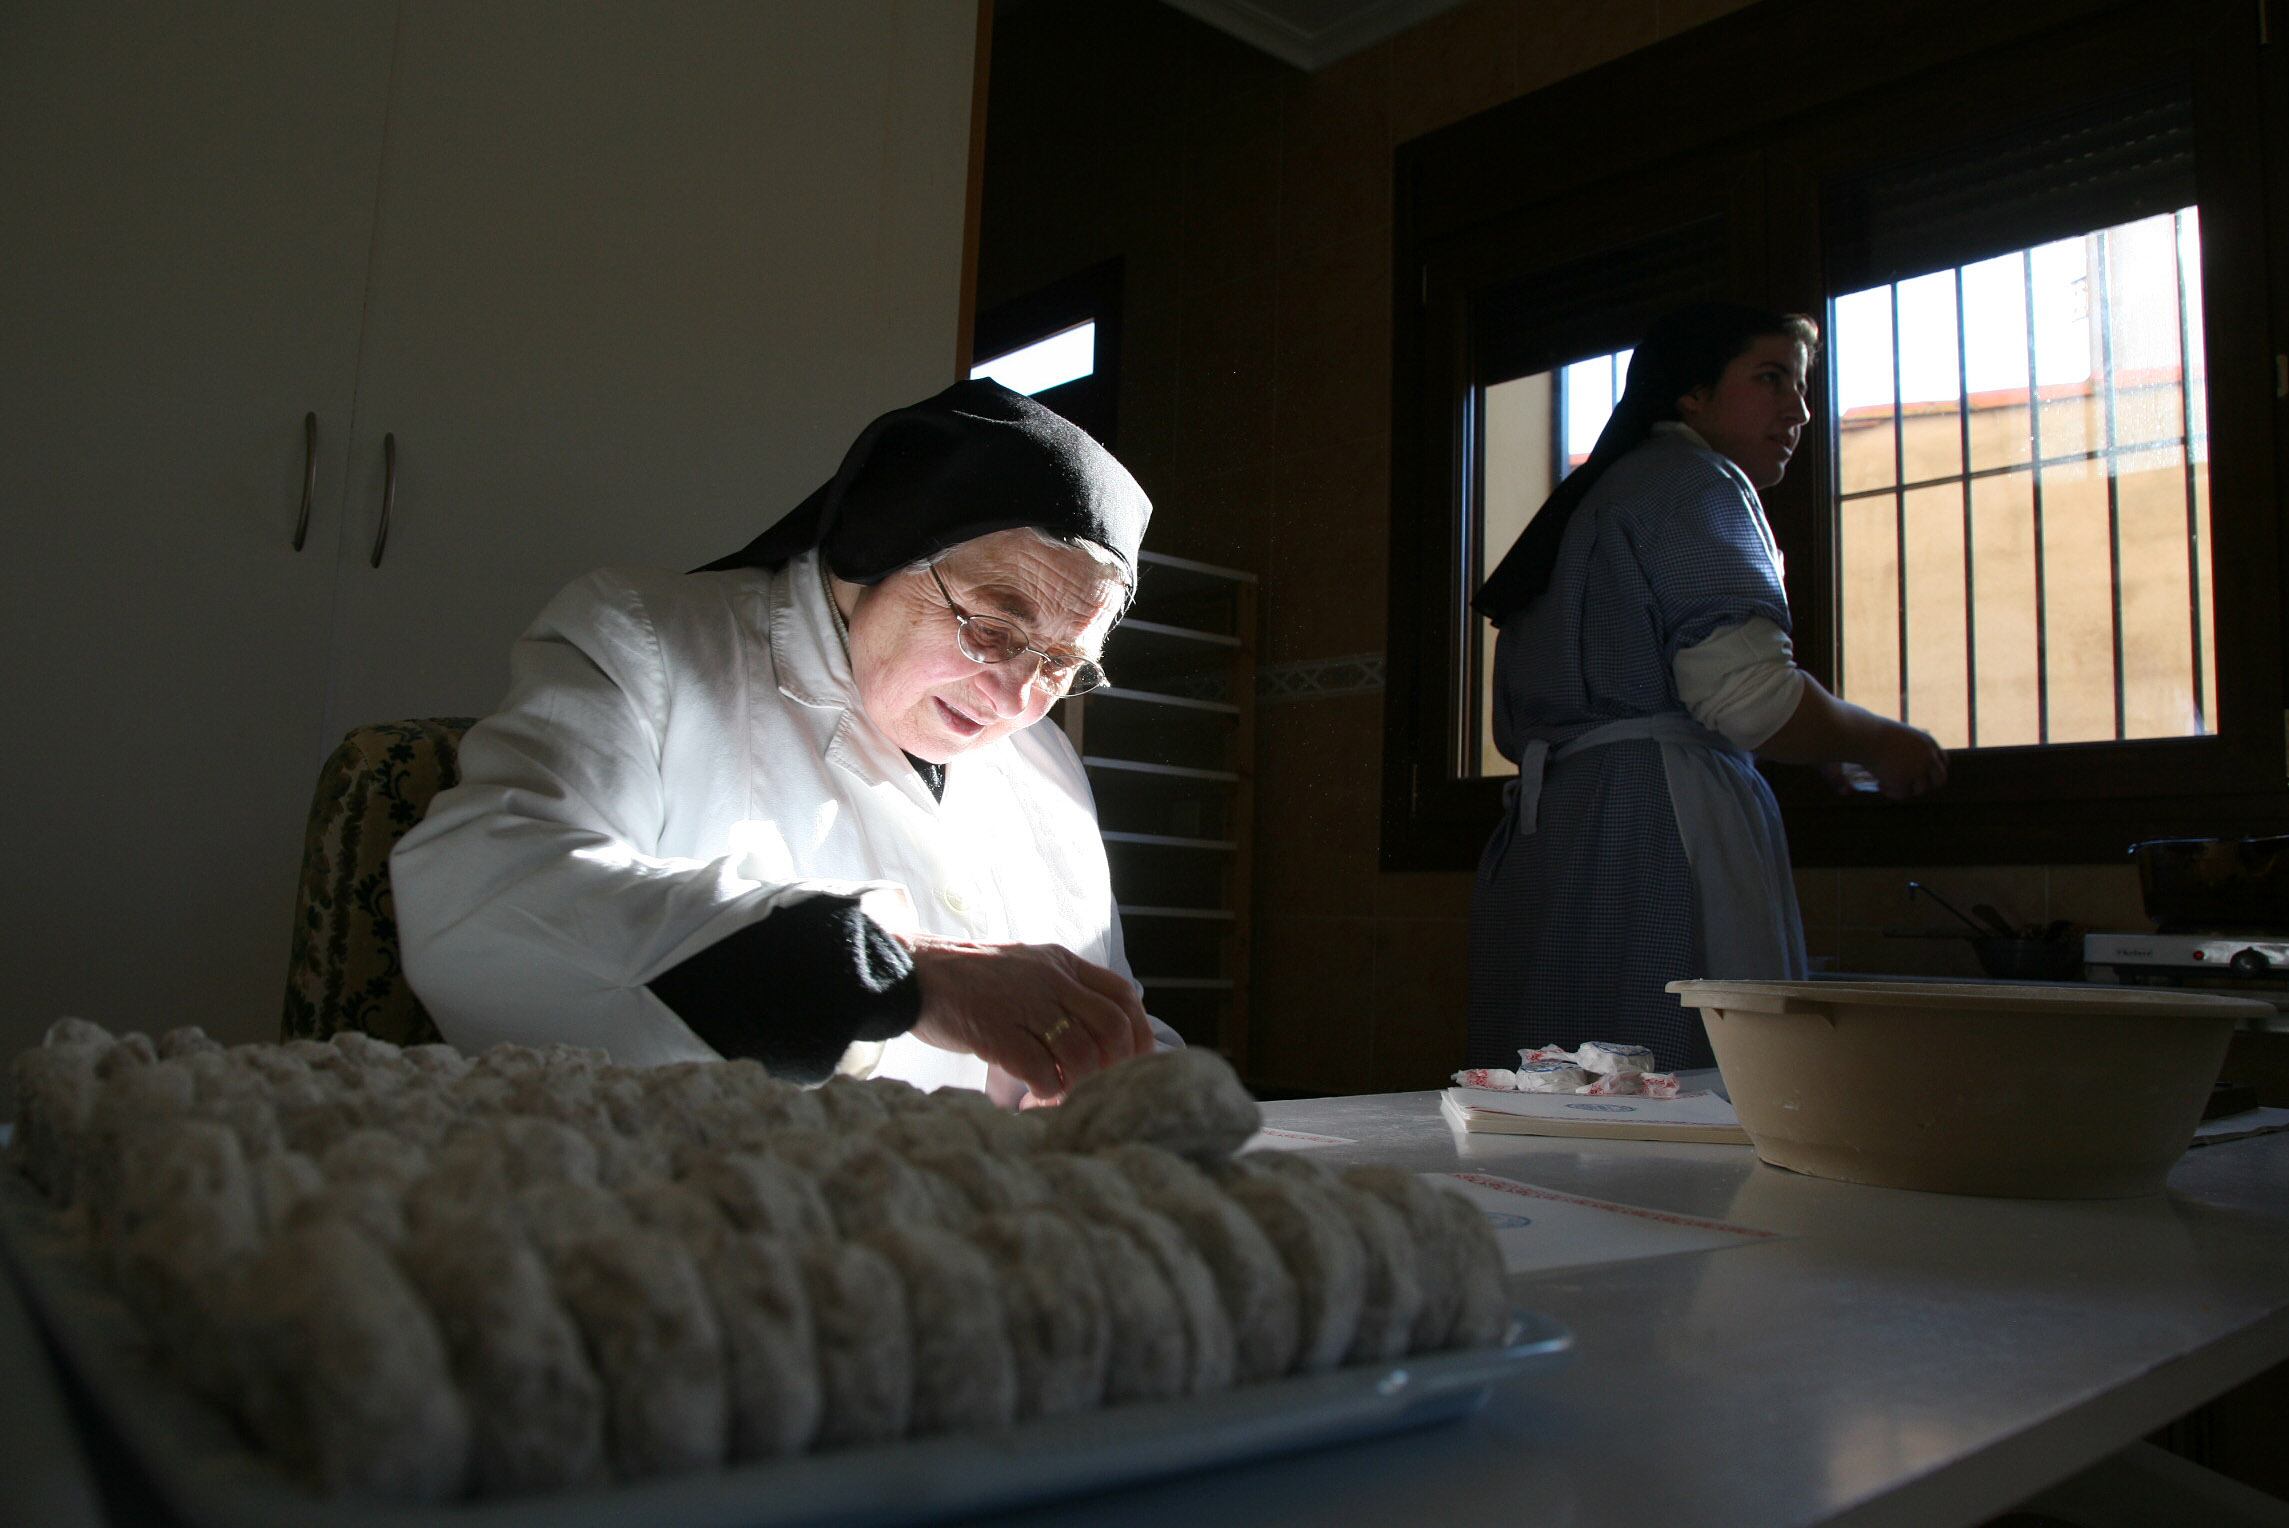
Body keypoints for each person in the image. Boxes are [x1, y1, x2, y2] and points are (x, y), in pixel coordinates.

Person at [391, 379, 1172, 1103]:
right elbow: (484, 895)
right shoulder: (648, 643)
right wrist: (897, 974)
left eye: (1062, 662)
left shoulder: (1046, 767)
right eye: (992, 627)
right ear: (879, 548)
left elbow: (1115, 1020)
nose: (1015, 696)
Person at [1466, 301, 1947, 1072]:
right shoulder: (1695, 483)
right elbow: (1752, 699)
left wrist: (1814, 738)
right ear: (1690, 393)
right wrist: (1878, 740)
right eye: (1769, 378)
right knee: (1682, 1070)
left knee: (1571, 1077)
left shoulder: (1602, 497)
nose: (1798, 408)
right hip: (1657, 822)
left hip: (1560, 827)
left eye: (1800, 385)